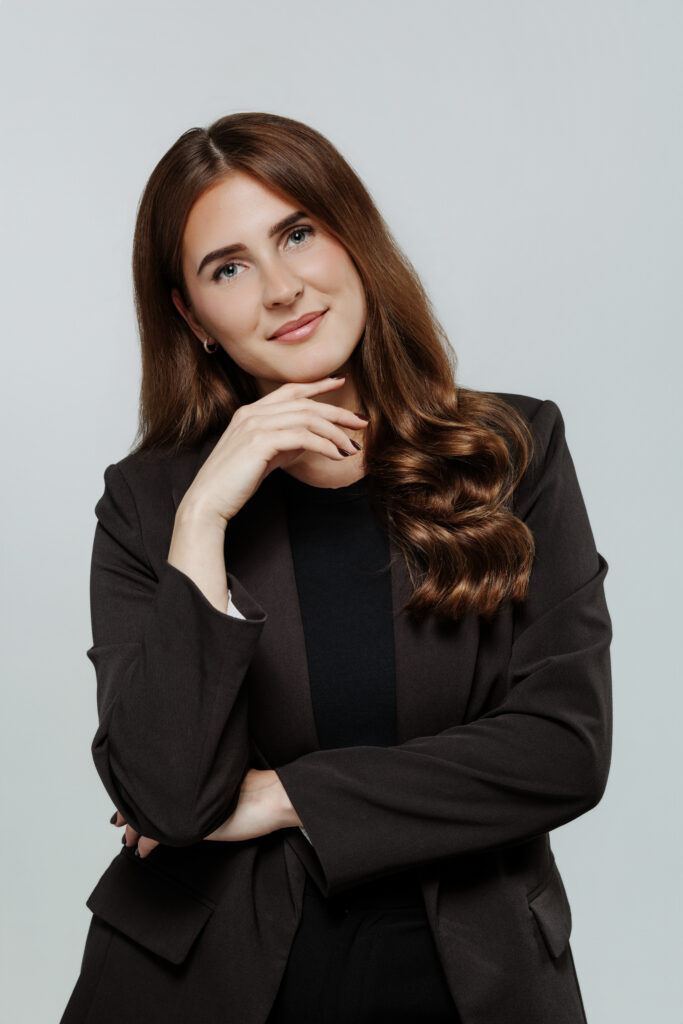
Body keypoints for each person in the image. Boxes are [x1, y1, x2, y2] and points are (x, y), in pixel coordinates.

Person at [59, 111, 612, 1024]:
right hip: (204, 987)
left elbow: (562, 750)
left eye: (297, 234)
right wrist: (203, 518)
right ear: (192, 317)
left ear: (353, 238)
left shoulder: (515, 451)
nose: (281, 289)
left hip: (471, 977)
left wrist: (283, 797)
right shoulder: (149, 505)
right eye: (227, 268)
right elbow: (166, 799)